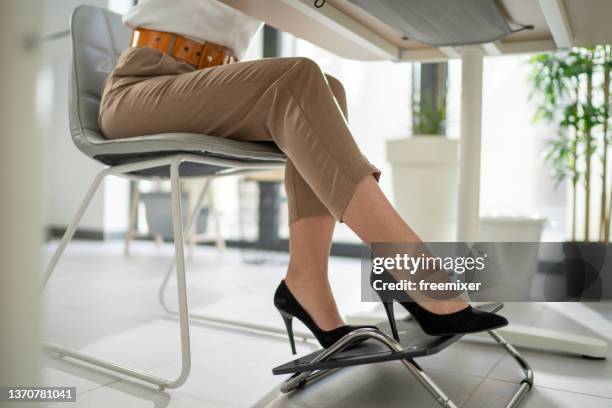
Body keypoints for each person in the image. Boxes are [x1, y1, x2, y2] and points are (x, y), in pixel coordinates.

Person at [99, 0, 507, 353]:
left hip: (202, 83)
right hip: (143, 83)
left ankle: (306, 281)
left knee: (328, 88)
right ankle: (414, 266)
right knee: (297, 78)